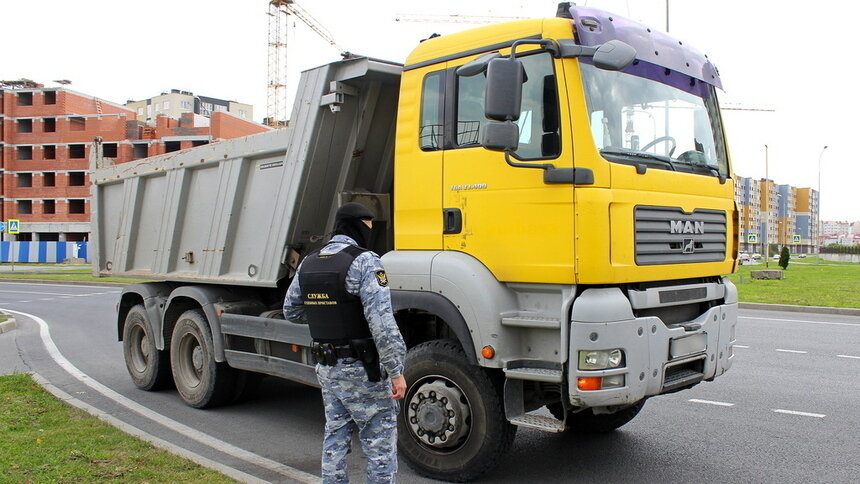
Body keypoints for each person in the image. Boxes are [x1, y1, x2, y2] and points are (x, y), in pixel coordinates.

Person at [284, 202, 407, 484]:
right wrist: (396, 370)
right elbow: (382, 323)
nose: (370, 232)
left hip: (328, 367)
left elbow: (292, 310)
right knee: (379, 446)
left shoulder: (309, 261)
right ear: (357, 225)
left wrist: (326, 315)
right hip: (363, 370)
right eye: (368, 226)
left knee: (335, 437)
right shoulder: (365, 261)